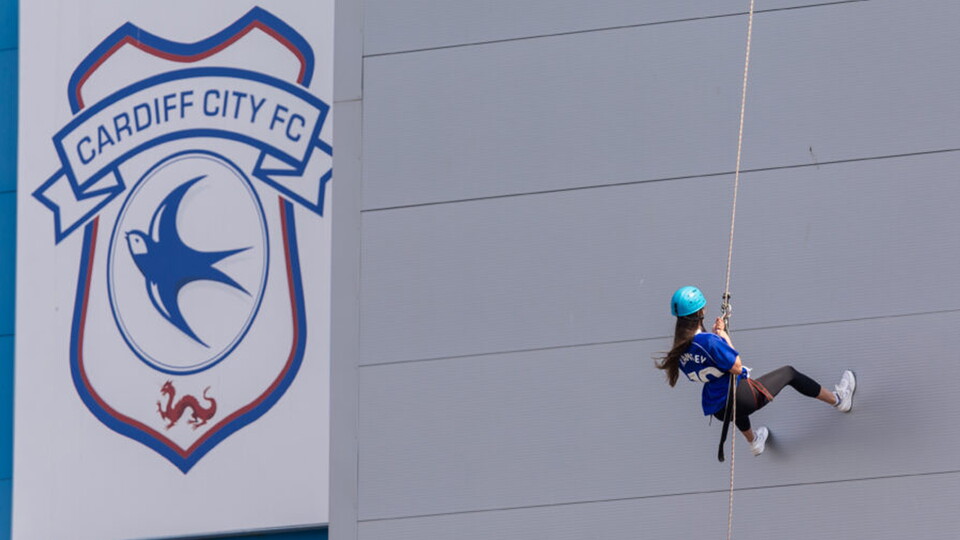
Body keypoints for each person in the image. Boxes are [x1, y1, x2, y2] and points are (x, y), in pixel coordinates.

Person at [655, 286, 856, 456]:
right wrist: (723, 335)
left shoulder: (679, 351)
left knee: (735, 410)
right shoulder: (709, 341)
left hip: (716, 407)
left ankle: (754, 441)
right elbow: (736, 366)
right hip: (739, 396)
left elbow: (707, 356)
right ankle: (839, 400)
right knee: (789, 373)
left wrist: (718, 337)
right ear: (700, 312)